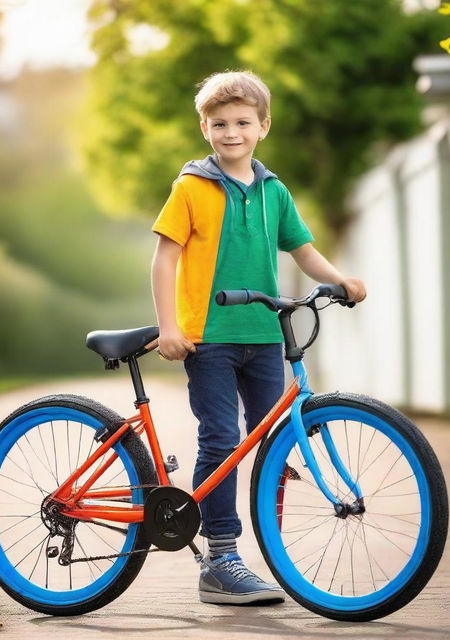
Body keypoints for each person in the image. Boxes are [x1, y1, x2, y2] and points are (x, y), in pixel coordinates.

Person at [150, 70, 366, 605]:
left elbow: (303, 250)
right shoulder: (191, 188)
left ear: (263, 126)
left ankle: (265, 547)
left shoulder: (274, 191)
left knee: (271, 443)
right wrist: (169, 328)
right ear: (205, 128)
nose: (231, 132)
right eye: (220, 123)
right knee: (222, 442)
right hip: (210, 340)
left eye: (243, 122)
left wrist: (339, 279)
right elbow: (164, 258)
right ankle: (220, 559)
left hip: (266, 337)